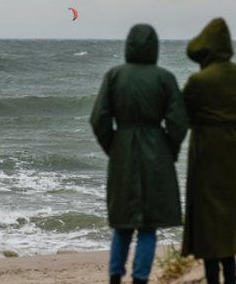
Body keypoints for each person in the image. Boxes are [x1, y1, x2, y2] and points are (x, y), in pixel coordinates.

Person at [90, 24, 188, 284]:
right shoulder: (164, 78)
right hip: (156, 148)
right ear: (155, 46)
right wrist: (170, 149)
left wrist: (113, 146)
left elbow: (99, 118)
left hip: (122, 148)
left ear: (128, 45)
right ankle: (140, 279)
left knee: (122, 222)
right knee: (148, 225)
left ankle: (114, 276)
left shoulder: (114, 75)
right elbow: (178, 122)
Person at [180, 18, 236, 284]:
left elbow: (183, 112)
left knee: (208, 215)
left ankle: (212, 277)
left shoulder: (199, 80)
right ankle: (231, 273)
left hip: (208, 149)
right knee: (230, 211)